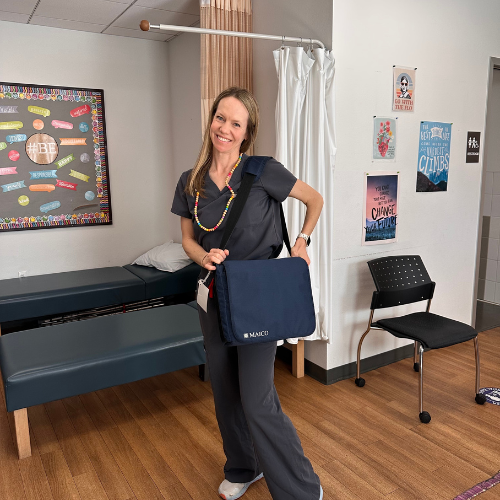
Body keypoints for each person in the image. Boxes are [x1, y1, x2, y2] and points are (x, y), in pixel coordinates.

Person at [171, 86, 324, 500]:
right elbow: (187, 240)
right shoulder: (190, 181)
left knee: (257, 399)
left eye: (235, 123)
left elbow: (314, 200)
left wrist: (302, 241)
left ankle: (301, 487)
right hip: (214, 294)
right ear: (212, 120)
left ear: (246, 132)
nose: (225, 128)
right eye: (220, 118)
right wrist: (204, 256)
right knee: (224, 392)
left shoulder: (263, 171)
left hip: (257, 297)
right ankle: (243, 467)